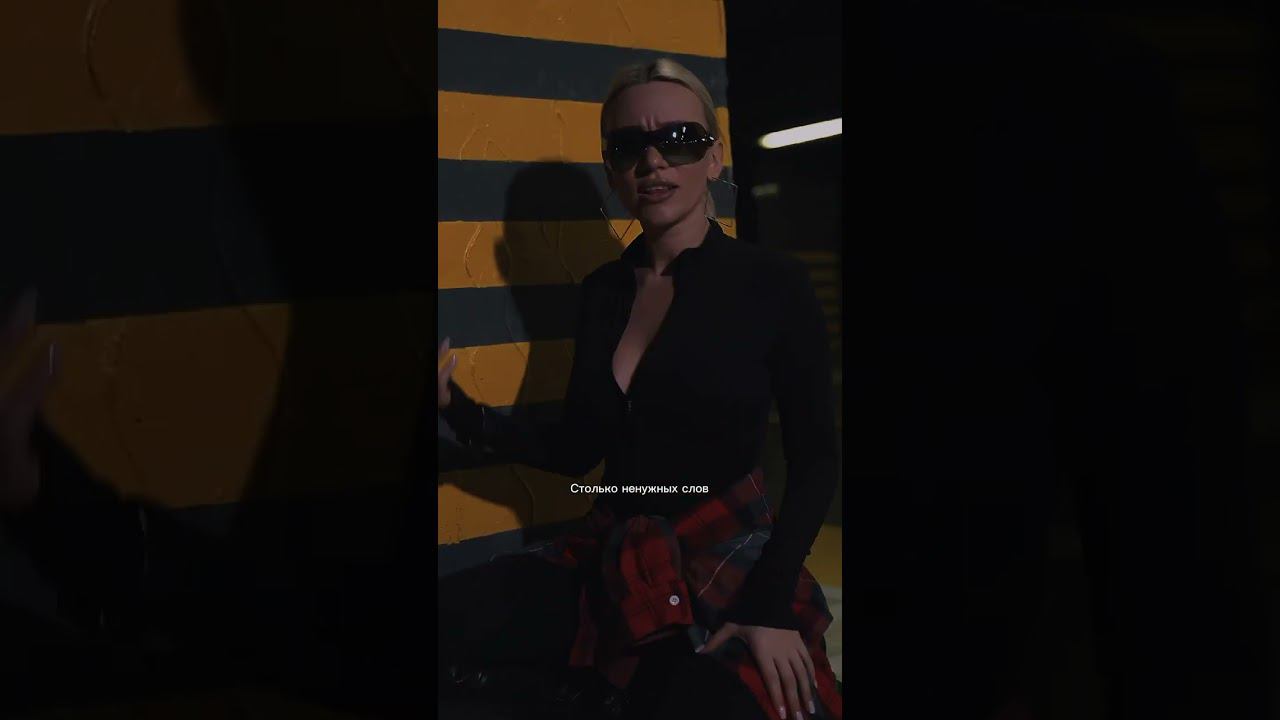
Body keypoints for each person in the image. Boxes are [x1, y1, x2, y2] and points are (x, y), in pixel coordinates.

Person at [437, 59, 842, 720]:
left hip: (725, 547)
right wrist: (459, 412)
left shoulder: (772, 282)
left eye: (679, 140)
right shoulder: (604, 290)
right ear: (612, 170)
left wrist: (767, 606)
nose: (653, 161)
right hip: (613, 544)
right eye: (629, 146)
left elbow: (817, 460)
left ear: (714, 158)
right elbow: (577, 448)